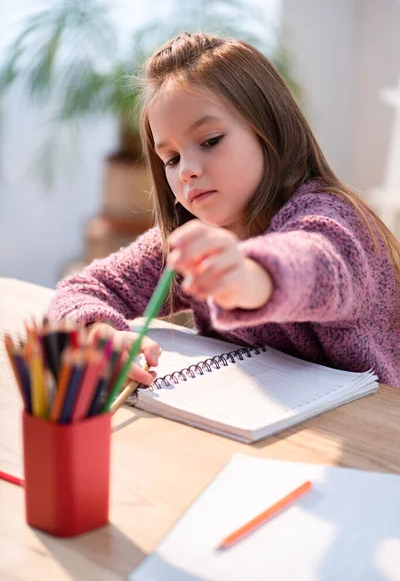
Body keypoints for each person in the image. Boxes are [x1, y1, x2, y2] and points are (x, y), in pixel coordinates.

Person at [48, 32, 400, 387]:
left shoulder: (332, 218)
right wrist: (99, 332)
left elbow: (317, 266)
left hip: (371, 434)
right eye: (171, 158)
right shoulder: (187, 242)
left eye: (210, 141)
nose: (186, 169)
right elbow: (84, 287)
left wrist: (248, 274)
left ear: (270, 130)